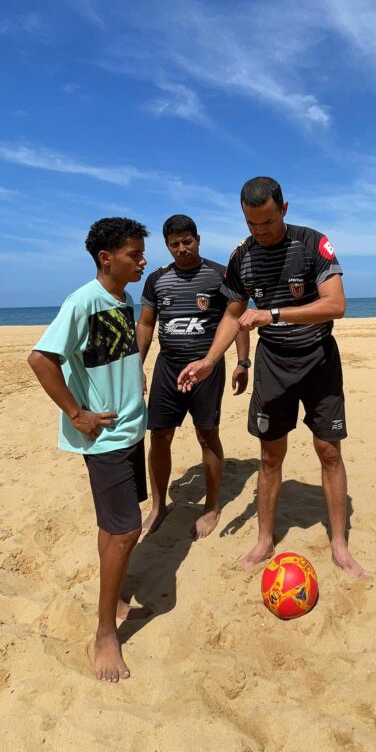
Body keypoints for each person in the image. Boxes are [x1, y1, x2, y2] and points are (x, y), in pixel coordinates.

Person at [177, 177, 365, 578]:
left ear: (284, 208)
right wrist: (212, 360)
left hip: (318, 359)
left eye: (266, 222)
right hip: (273, 364)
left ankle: (339, 543)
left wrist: (273, 314)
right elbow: (232, 314)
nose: (260, 232)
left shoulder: (313, 243)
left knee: (329, 451)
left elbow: (336, 304)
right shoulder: (241, 256)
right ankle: (264, 540)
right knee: (269, 455)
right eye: (251, 224)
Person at [28, 217, 150, 684]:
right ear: (106, 258)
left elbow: (115, 355)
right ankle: (104, 634)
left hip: (129, 429)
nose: (143, 260)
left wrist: (133, 376)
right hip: (106, 440)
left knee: (114, 526)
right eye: (134, 254)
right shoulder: (83, 301)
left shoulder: (121, 298)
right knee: (125, 532)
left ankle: (115, 602)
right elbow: (41, 360)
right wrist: (77, 413)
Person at [136, 214, 250, 538]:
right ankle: (158, 507)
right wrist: (137, 368)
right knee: (159, 436)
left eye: (187, 241)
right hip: (168, 367)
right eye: (175, 244)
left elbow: (236, 316)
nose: (182, 248)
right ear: (167, 246)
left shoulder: (218, 275)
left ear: (198, 239)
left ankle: (212, 506)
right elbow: (145, 324)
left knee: (207, 435)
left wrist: (243, 362)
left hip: (206, 369)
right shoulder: (157, 280)